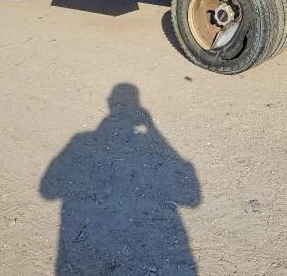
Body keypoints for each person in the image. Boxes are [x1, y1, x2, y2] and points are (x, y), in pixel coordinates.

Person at [39, 83, 201, 275]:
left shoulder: (80, 140)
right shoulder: (85, 140)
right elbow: (192, 197)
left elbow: (47, 190)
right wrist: (152, 129)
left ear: (109, 102)